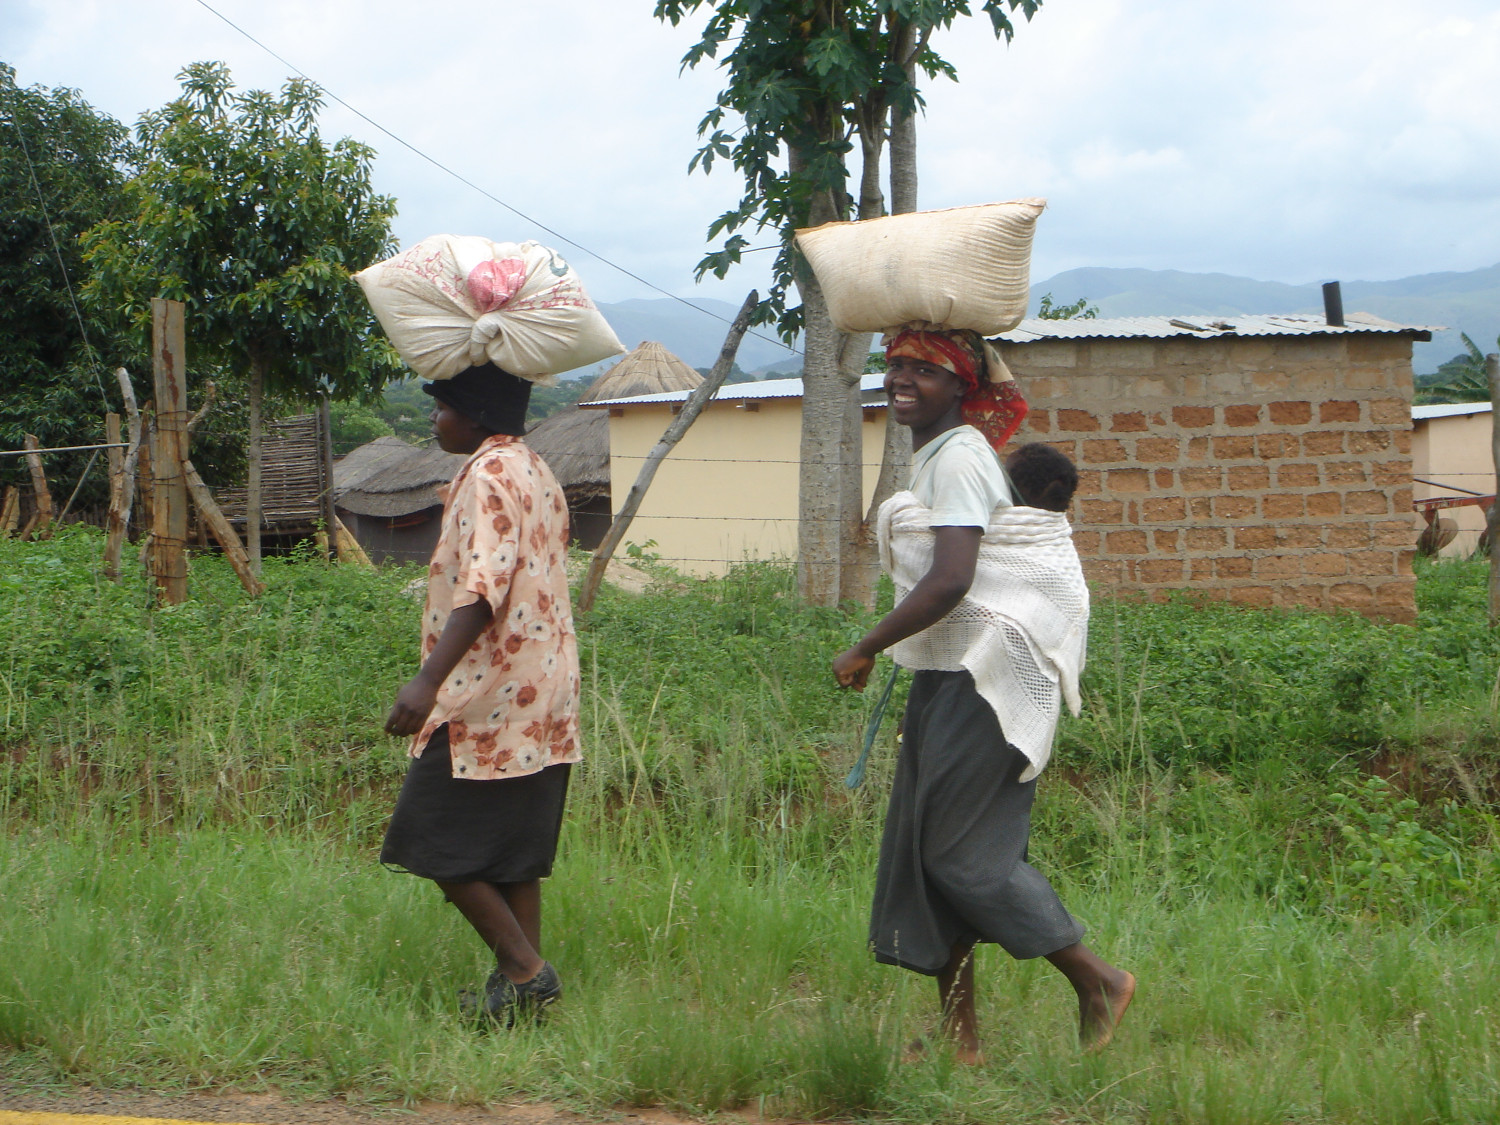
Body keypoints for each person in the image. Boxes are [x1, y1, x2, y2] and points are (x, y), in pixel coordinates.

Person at [832, 327, 1134, 1063]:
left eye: (924, 370)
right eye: (895, 365)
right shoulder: (939, 453)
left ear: (961, 386)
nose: (902, 379)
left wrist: (866, 644)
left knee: (964, 860)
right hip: (952, 674)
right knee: (926, 852)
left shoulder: (961, 457)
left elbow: (952, 577)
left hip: (986, 680)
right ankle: (959, 1042)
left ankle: (1097, 979)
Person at [381, 361, 581, 1025]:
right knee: (513, 851)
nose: (435, 419)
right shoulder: (535, 468)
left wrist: (427, 680)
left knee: (428, 836)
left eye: (441, 407)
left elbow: (484, 587)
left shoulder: (488, 476)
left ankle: (527, 971)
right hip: (544, 687)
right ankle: (523, 998)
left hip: (489, 691)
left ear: (476, 415)